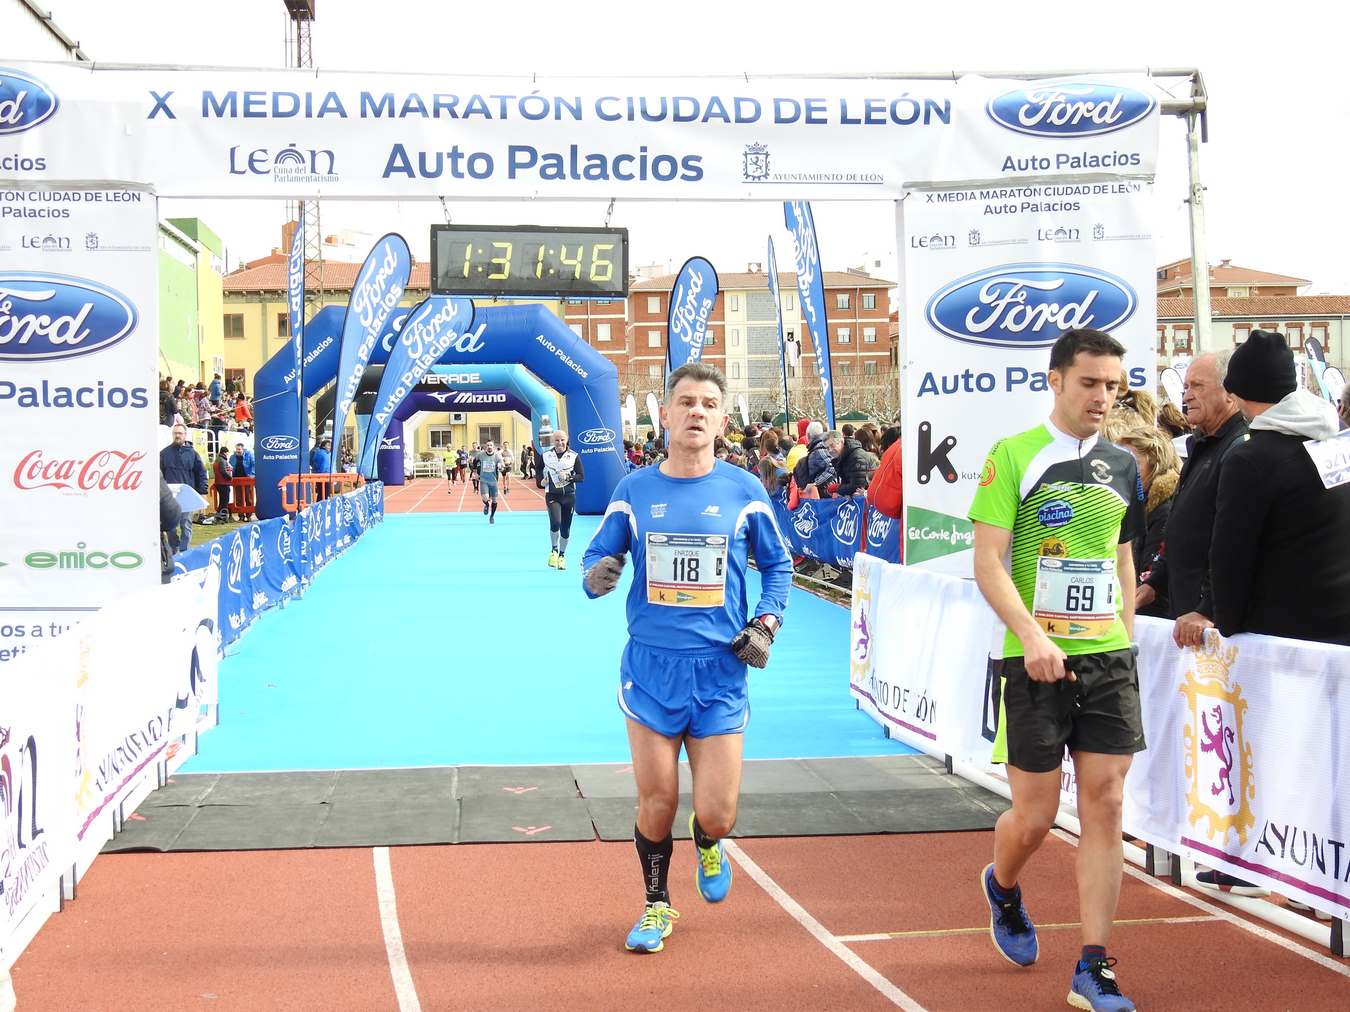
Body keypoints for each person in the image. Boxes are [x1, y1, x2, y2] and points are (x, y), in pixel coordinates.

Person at [582, 362, 792, 955]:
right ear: (667, 415)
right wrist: (596, 576)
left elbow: (778, 566)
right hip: (652, 671)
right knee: (657, 801)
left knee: (718, 813)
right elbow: (596, 558)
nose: (696, 411)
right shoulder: (633, 491)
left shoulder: (745, 492)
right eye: (686, 402)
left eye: (708, 404)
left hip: (721, 671)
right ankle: (656, 904)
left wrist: (766, 623)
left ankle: (707, 839)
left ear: (722, 420)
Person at [968, 328, 1145, 1012]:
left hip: (1107, 657)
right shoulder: (1013, 455)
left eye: (1112, 386)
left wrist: (1124, 635)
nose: (1102, 397)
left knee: (1106, 801)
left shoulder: (1124, 466)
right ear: (1056, 380)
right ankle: (1003, 884)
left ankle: (1093, 966)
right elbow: (988, 560)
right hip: (1033, 659)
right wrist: (1031, 635)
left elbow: (1121, 558)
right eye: (1090, 383)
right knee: (1036, 817)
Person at [1210, 330, 1350, 645]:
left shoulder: (1250, 460)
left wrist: (1227, 622)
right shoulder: (1335, 440)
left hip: (1285, 633)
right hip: (1341, 626)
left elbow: (1231, 553)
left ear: (1239, 392)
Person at [1136, 353, 1248, 648]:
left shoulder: (1239, 450)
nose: (1186, 396)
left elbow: (1237, 542)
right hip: (1187, 618)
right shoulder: (1201, 444)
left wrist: (1207, 608)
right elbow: (1182, 528)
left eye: (1197, 386)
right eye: (1186, 387)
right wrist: (1155, 581)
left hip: (1214, 629)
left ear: (1229, 393)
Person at [1115, 426, 1180, 619]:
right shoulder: (1136, 501)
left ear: (1155, 463)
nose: (1123, 470)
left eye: (1132, 463)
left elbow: (1148, 576)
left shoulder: (1164, 509)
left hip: (1154, 616)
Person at [541, 430, 586, 569]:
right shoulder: (546, 456)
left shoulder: (573, 456)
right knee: (556, 522)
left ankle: (562, 556)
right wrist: (542, 482)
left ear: (567, 440)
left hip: (569, 496)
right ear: (552, 441)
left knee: (565, 529)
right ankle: (554, 550)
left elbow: (581, 476)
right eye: (556, 440)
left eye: (562, 440)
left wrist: (568, 477)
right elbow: (539, 476)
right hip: (552, 495)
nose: (560, 443)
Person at [159, 424, 208, 550]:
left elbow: (201, 473)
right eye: (175, 433)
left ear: (185, 435)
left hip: (187, 495)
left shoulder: (193, 454)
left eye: (180, 433)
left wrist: (203, 491)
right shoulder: (164, 454)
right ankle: (173, 550)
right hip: (170, 496)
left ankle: (184, 551)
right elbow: (159, 474)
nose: (177, 435)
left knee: (186, 525)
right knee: (170, 526)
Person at [474, 440, 503, 523]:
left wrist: (500, 466)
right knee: (485, 497)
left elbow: (502, 465)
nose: (489, 447)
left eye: (491, 445)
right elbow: (474, 461)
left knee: (494, 500)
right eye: (488, 445)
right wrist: (475, 472)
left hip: (493, 481)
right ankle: (487, 505)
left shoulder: (497, 456)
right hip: (484, 480)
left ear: (493, 446)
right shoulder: (481, 454)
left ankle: (492, 516)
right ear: (485, 447)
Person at [212, 448, 234, 520]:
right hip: (223, 483)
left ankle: (219, 515)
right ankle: (223, 516)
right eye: (227, 452)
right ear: (225, 452)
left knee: (222, 500)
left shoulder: (217, 460)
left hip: (218, 482)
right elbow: (223, 471)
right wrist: (230, 477)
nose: (228, 454)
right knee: (225, 501)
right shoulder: (222, 460)